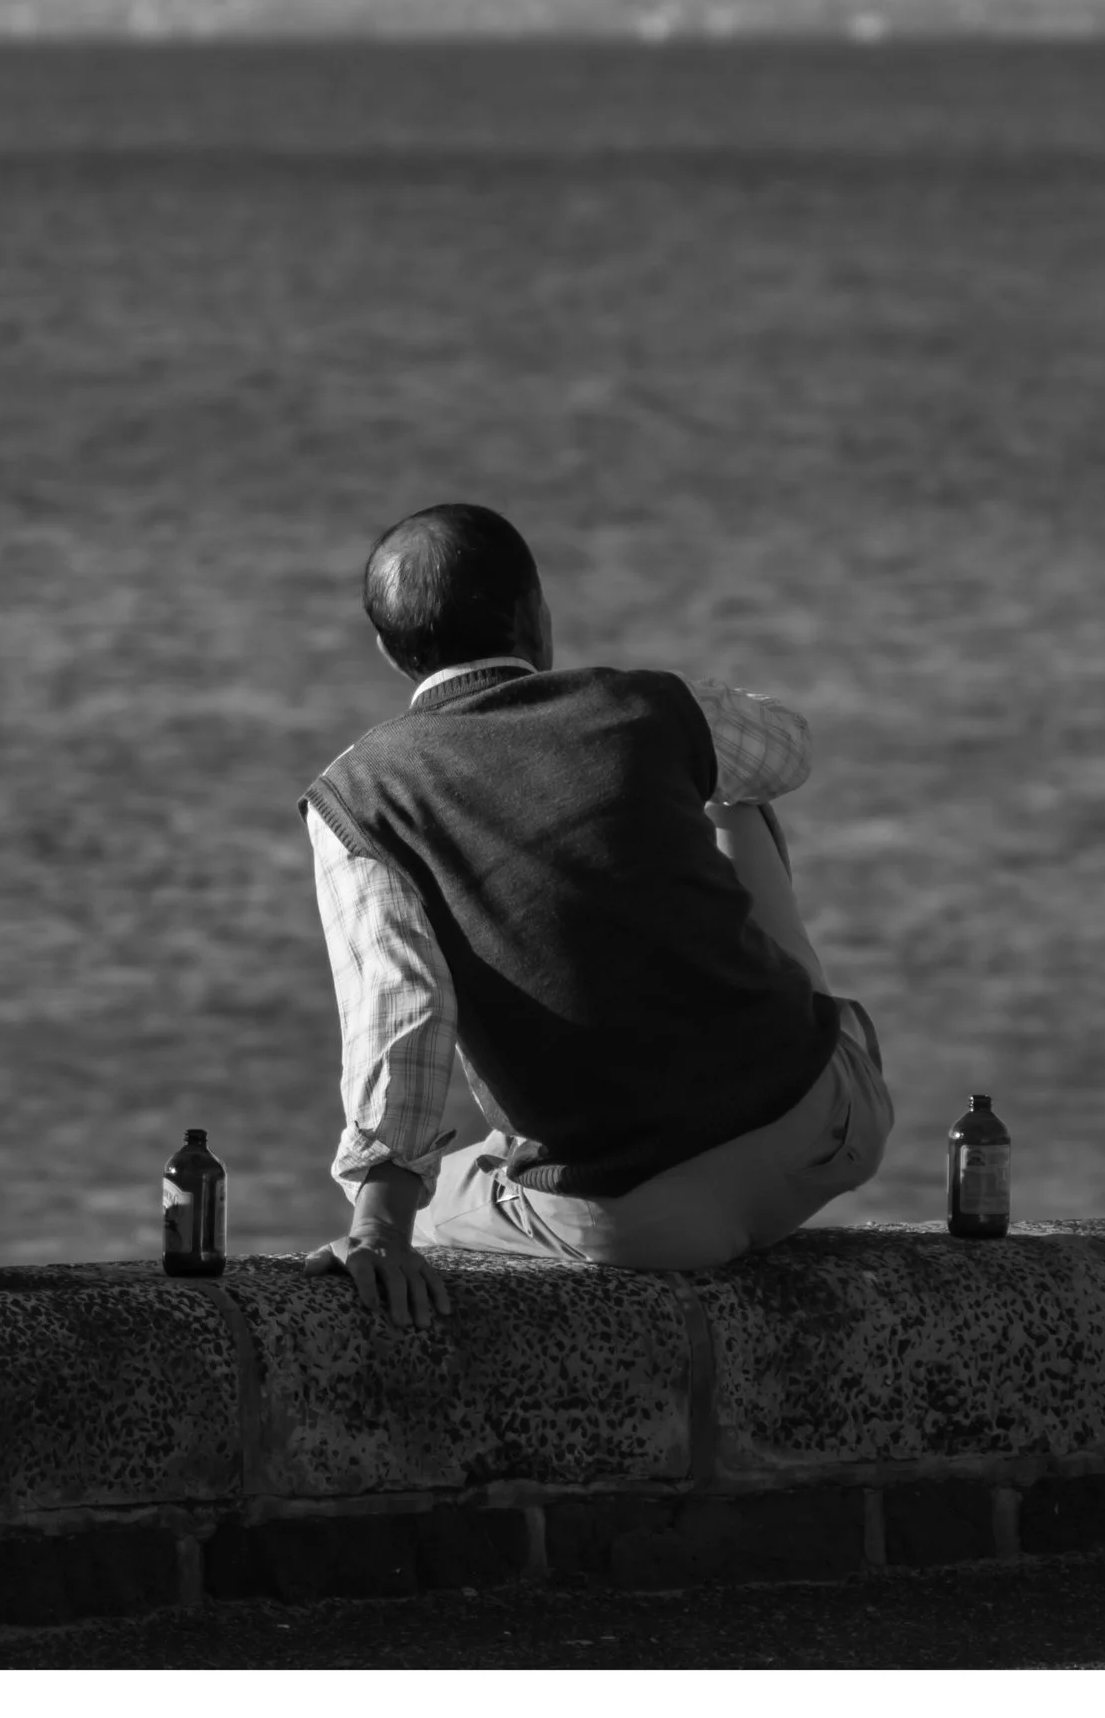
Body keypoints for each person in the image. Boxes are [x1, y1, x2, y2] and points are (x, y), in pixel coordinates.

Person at [300, 503, 891, 1324]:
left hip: (641, 1221)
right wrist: (667, 724)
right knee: (735, 796)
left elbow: (401, 1013)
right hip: (826, 1134)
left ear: (387, 649)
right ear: (537, 613)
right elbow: (786, 747)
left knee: (445, 1213)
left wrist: (378, 1228)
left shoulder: (362, 797)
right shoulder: (645, 703)